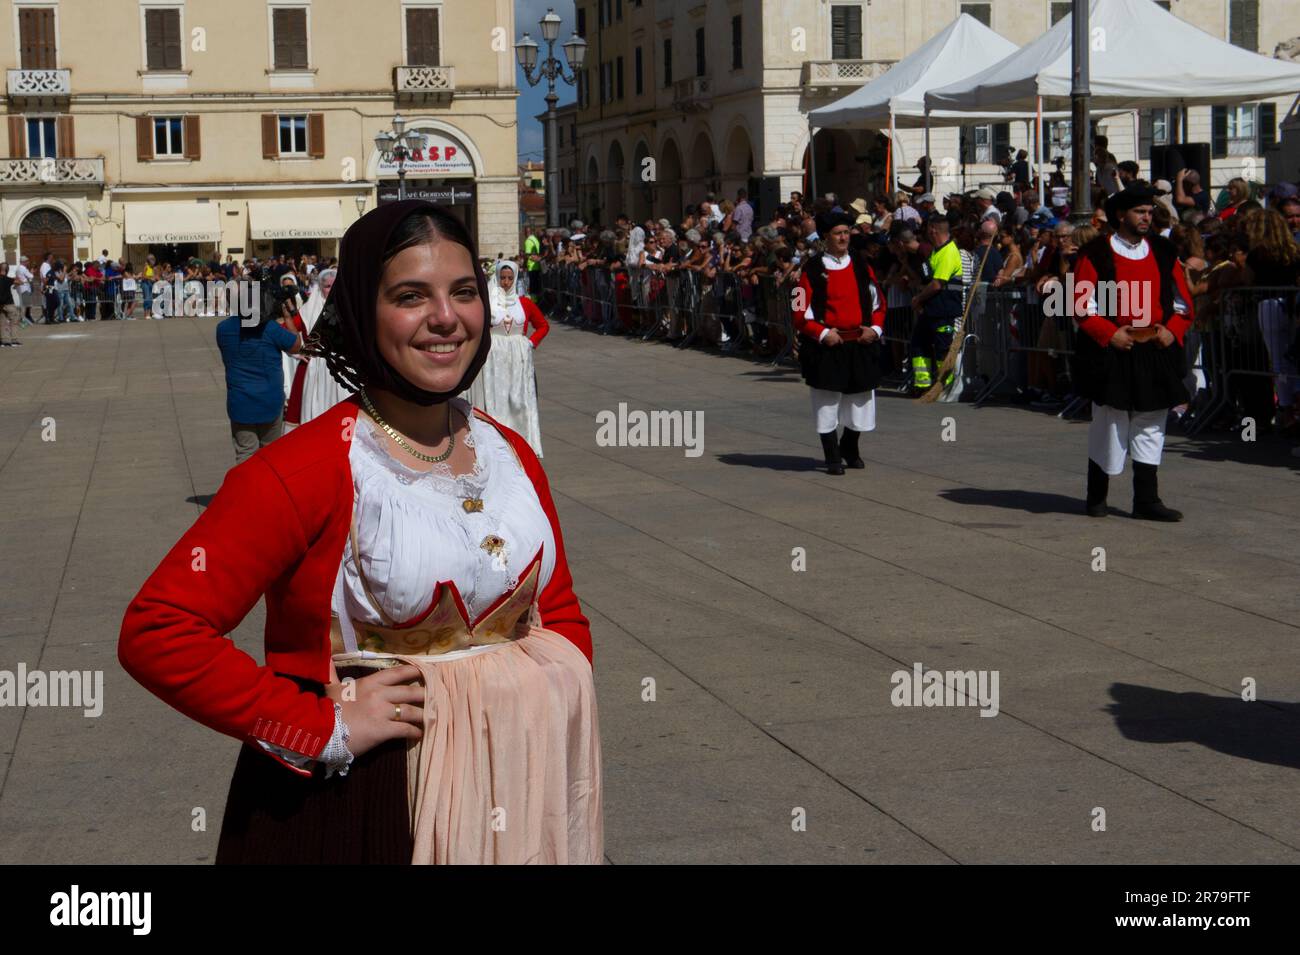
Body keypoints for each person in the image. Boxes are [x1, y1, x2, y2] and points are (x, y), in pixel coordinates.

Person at [119, 200, 602, 865]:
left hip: (518, 789)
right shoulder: (304, 468)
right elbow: (158, 628)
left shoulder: (510, 452)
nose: (445, 317)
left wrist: (543, 708)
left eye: (464, 291)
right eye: (411, 295)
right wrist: (321, 724)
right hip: (365, 804)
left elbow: (561, 610)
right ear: (359, 309)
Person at [1070, 185, 1194, 521]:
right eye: (1140, 212)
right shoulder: (1094, 253)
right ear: (1121, 215)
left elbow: (1182, 301)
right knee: (1109, 423)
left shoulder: (1163, 250)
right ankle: (1097, 496)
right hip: (1113, 351)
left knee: (1152, 422)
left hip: (1153, 348)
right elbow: (1082, 305)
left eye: (1150, 212)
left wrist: (1172, 329)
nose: (1147, 217)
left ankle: (1147, 500)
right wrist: (1109, 335)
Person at [792, 212, 886, 475]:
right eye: (838, 233)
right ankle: (832, 454)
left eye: (846, 232)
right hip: (827, 346)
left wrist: (875, 329)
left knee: (860, 401)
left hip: (860, 343)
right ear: (826, 237)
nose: (844, 237)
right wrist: (822, 333)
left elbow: (879, 301)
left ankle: (850, 446)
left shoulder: (861, 265)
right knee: (826, 401)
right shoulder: (811, 269)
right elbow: (799, 310)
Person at [462, 260, 549, 456]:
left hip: (518, 360)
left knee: (518, 400)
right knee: (495, 397)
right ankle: (497, 440)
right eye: (503, 278)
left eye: (510, 278)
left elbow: (543, 325)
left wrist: (530, 343)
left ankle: (522, 438)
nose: (506, 282)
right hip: (494, 360)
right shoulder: (489, 304)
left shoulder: (524, 304)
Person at [216, 278, 304, 463]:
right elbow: (296, 346)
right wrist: (287, 318)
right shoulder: (270, 329)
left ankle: (246, 490)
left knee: (245, 454)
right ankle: (268, 491)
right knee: (271, 455)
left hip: (240, 401)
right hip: (270, 401)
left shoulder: (223, 329)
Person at [910, 214, 964, 392]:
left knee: (942, 349)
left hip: (944, 310)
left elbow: (937, 284)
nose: (926, 232)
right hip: (931, 309)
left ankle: (945, 386)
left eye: (928, 228)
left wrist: (918, 299)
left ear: (933, 229)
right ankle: (922, 384)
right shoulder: (936, 250)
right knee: (919, 344)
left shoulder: (949, 252)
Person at [0, 263, 21, 346]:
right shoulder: (8, 279)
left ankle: (4, 340)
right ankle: (14, 340)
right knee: (14, 321)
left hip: (0, 304)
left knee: (2, 322)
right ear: (7, 270)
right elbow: (19, 282)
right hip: (9, 303)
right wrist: (16, 279)